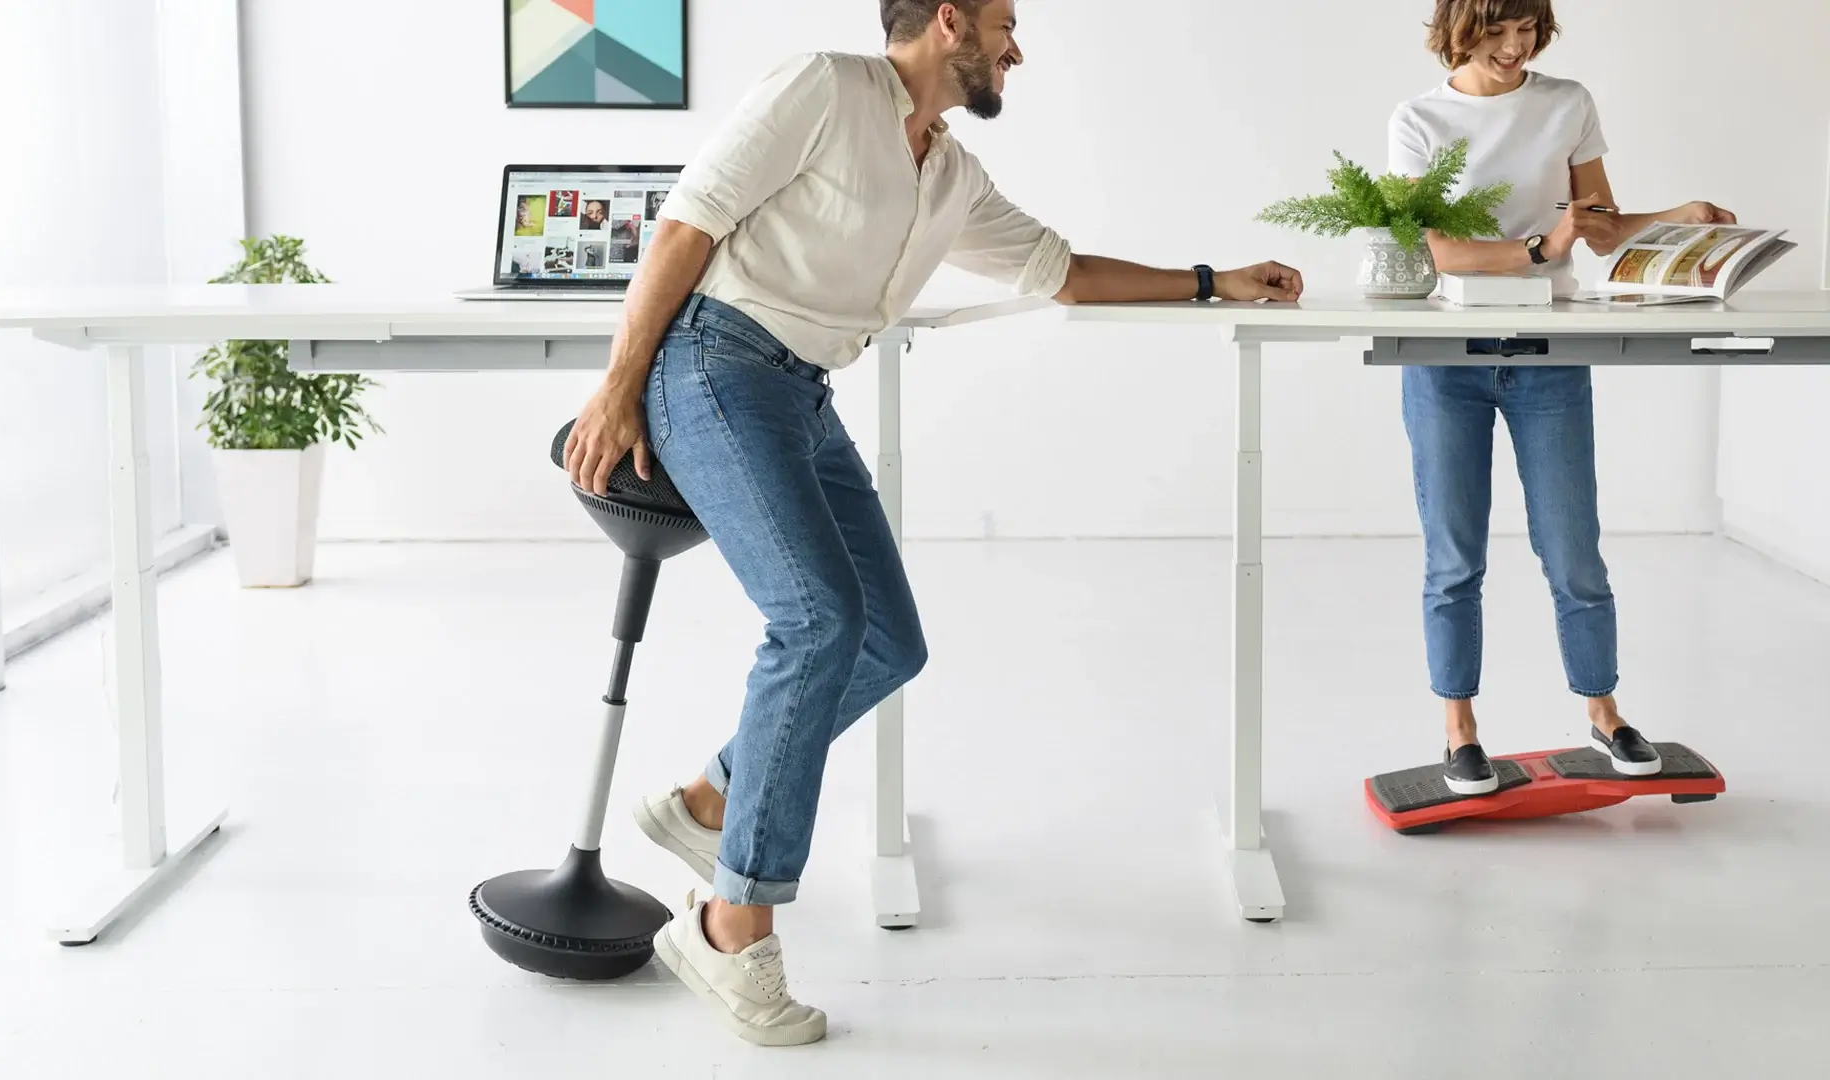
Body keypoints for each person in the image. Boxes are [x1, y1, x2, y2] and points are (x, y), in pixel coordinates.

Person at [560, 0, 1303, 1046]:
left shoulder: (950, 174)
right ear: (948, 21)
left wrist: (1209, 281)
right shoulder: (823, 87)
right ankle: (731, 929)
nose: (1017, 49)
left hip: (803, 392)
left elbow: (1064, 271)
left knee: (886, 641)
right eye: (1004, 26)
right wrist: (619, 382)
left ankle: (709, 802)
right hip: (714, 363)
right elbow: (689, 221)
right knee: (817, 621)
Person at [1388, 0, 1735, 795]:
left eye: (1528, 31)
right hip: (1447, 359)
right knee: (1454, 558)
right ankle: (1460, 732)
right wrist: (1544, 246)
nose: (1515, 49)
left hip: (1549, 355)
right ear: (1458, 28)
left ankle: (1605, 714)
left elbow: (1599, 228)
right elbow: (1440, 249)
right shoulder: (1419, 120)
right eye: (1497, 32)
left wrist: (1674, 217)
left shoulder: (1567, 102)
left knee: (1574, 551)